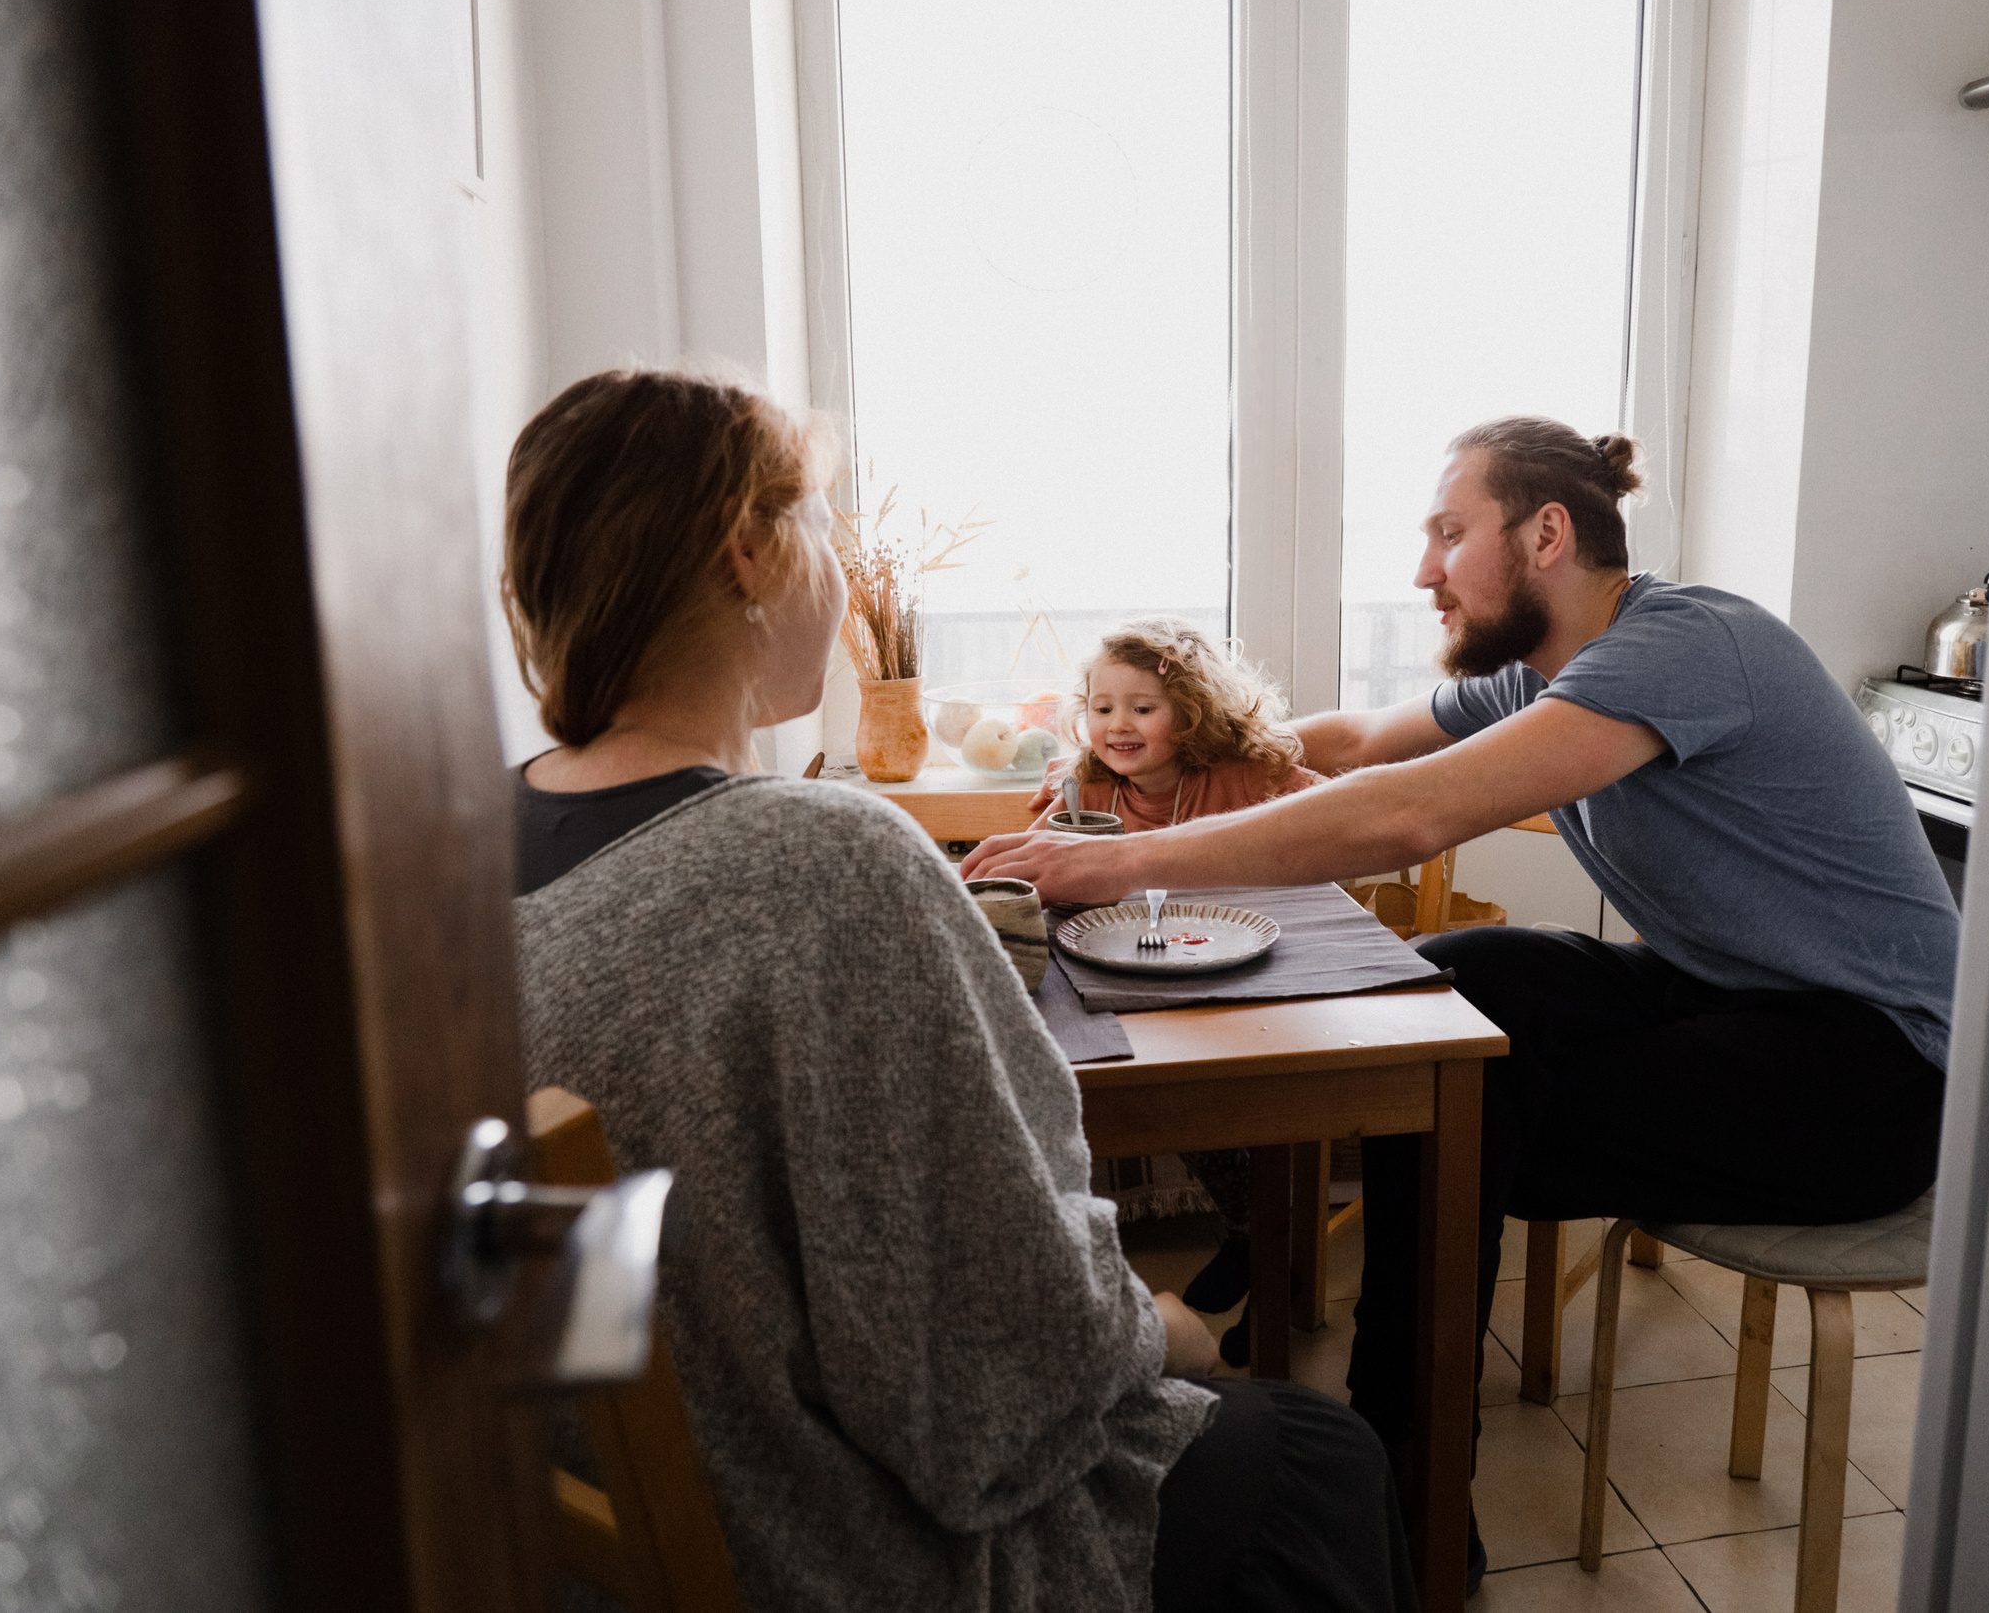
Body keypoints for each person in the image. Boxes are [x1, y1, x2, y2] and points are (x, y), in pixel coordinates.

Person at [966, 416, 1957, 1590]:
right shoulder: (1544, 675)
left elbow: (1408, 814)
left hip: (1875, 1069)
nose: (1422, 571)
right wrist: (1191, 754)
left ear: (1544, 535)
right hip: (1730, 1001)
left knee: (1454, 1113)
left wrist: (1122, 862)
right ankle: (1406, 1447)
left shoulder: (1685, 645)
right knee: (1472, 985)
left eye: (1448, 534)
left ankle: (1408, 1485)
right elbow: (1351, 748)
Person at [502, 367, 1416, 1613]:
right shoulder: (819, 860)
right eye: (819, 523)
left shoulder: (437, 872)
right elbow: (1001, 1392)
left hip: (595, 1544)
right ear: (747, 557)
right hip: (833, 1548)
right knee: (1319, 1456)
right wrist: (1162, 1328)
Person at [1039, 619, 1327, 1352]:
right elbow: (1043, 865)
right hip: (1142, 982)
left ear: (1191, 712)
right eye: (1103, 707)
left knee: (1245, 1091)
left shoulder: (1238, 774)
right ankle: (1251, 1236)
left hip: (1251, 978)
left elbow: (1327, 818)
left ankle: (1268, 1257)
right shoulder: (1089, 787)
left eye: (1142, 707)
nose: (1117, 724)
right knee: (1172, 1090)